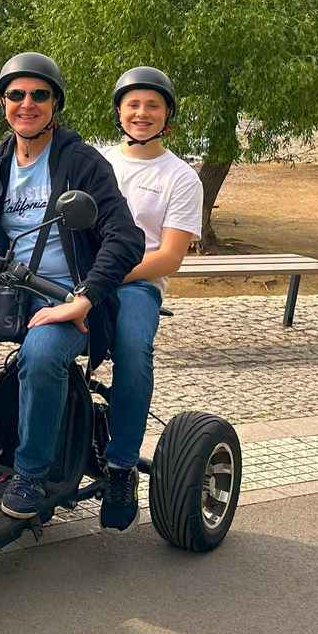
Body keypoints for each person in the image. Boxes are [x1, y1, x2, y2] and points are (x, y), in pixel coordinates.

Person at [0, 52, 144, 519]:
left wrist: (82, 300)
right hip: (5, 293)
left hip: (62, 298)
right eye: (16, 95)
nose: (27, 104)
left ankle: (31, 472)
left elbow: (126, 237)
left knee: (41, 357)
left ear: (55, 103)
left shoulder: (82, 162)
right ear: (3, 103)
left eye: (39, 95)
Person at [99, 66, 203, 530]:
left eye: (152, 105)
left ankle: (121, 465)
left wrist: (108, 279)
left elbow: (169, 256)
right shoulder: (96, 163)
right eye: (133, 104)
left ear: (167, 115)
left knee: (133, 349)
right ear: (119, 111)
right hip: (82, 277)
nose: (141, 113)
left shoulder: (180, 177)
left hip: (138, 282)